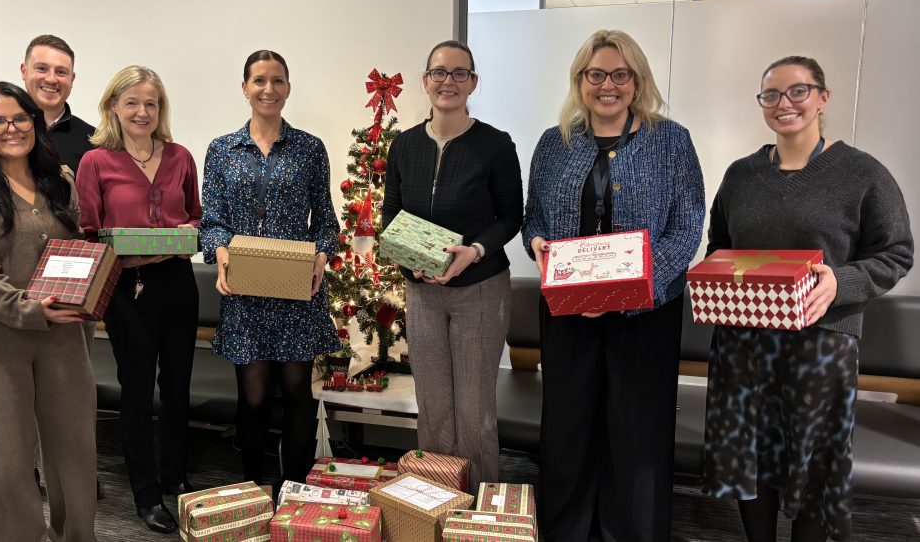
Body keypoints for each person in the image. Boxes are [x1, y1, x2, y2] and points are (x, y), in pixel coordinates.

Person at [702, 56, 913, 542]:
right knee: (749, 454)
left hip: (822, 343)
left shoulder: (863, 174)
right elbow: (719, 247)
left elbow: (896, 252)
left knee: (816, 462)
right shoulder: (740, 175)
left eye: (798, 91)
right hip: (744, 342)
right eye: (771, 94)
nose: (784, 103)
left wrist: (841, 282)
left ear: (823, 97)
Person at [521, 29, 705, 541]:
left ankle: (632, 529)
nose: (608, 85)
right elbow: (533, 216)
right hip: (568, 311)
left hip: (646, 315)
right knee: (569, 422)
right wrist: (537, 243)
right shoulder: (554, 142)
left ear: (637, 81)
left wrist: (630, 288)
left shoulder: (672, 141)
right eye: (596, 74)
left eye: (620, 75)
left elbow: (688, 226)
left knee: (637, 426)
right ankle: (566, 528)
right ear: (580, 81)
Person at [0, 82, 97, 542]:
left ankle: (76, 536)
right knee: (6, 460)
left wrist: (89, 287)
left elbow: (78, 248)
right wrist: (32, 309)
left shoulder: (59, 179)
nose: (12, 128)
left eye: (20, 118)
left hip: (63, 335)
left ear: (35, 122)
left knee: (74, 450)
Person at [379, 39, 523, 490]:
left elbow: (511, 217)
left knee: (474, 410)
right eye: (439, 72)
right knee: (434, 405)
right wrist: (412, 265)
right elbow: (392, 216)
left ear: (473, 83)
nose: (449, 81)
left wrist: (474, 251)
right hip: (423, 292)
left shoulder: (495, 145)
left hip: (481, 290)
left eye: (460, 73)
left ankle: (476, 507)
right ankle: (436, 503)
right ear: (426, 81)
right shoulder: (404, 145)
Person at [200, 50, 339, 491]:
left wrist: (321, 256)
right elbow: (212, 221)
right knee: (254, 396)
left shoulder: (310, 149)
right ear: (244, 88)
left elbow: (327, 222)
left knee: (298, 392)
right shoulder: (221, 150)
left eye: (277, 80)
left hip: (297, 290)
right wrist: (220, 250)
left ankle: (293, 488)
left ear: (288, 89)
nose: (268, 89)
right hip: (246, 291)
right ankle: (253, 488)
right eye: (259, 80)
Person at [76, 66, 201, 535]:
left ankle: (175, 475)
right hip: (128, 289)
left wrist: (189, 231)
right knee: (137, 390)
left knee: (178, 386)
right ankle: (146, 494)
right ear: (114, 106)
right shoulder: (95, 162)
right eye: (131, 102)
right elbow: (89, 231)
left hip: (178, 282)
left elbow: (196, 216)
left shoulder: (181, 156)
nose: (142, 112)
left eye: (151, 103)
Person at [21, 34, 95, 174]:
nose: (51, 79)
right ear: (24, 71)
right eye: (42, 68)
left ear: (72, 79)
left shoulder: (93, 142)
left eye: (61, 72)